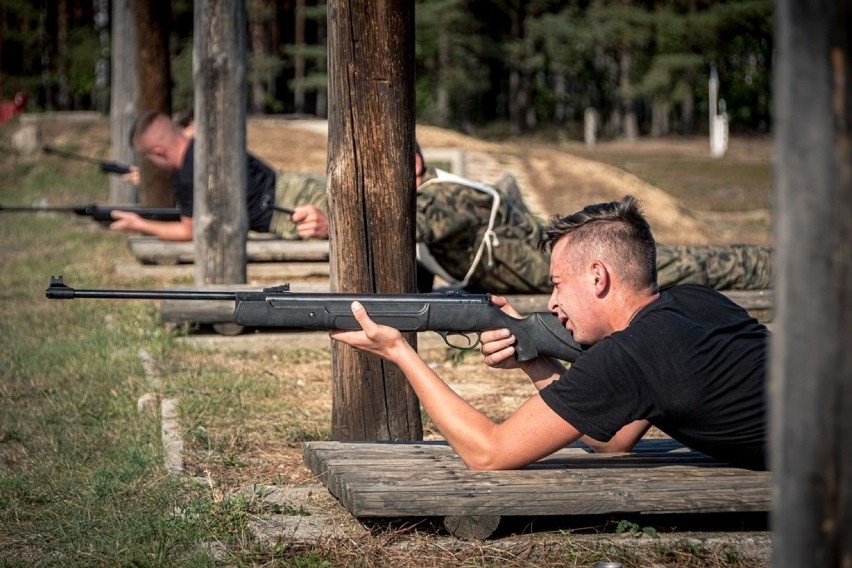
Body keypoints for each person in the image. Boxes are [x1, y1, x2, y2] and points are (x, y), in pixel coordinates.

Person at [331, 195, 769, 471]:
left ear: (598, 277)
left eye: (558, 283)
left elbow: (488, 453)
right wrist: (533, 357)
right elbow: (613, 441)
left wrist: (400, 352)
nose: (553, 302)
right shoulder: (696, 301)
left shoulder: (632, 354)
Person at [293, 146, 773, 294]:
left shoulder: (445, 197)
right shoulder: (428, 198)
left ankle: (776, 268)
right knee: (688, 265)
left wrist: (335, 225)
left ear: (414, 167)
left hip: (578, 269)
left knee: (697, 267)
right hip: (554, 274)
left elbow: (412, 227)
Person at [109, 111, 327, 241]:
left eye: (149, 160)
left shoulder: (186, 177)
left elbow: (190, 231)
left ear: (158, 152)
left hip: (292, 211)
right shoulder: (208, 141)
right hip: (298, 183)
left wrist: (139, 224)